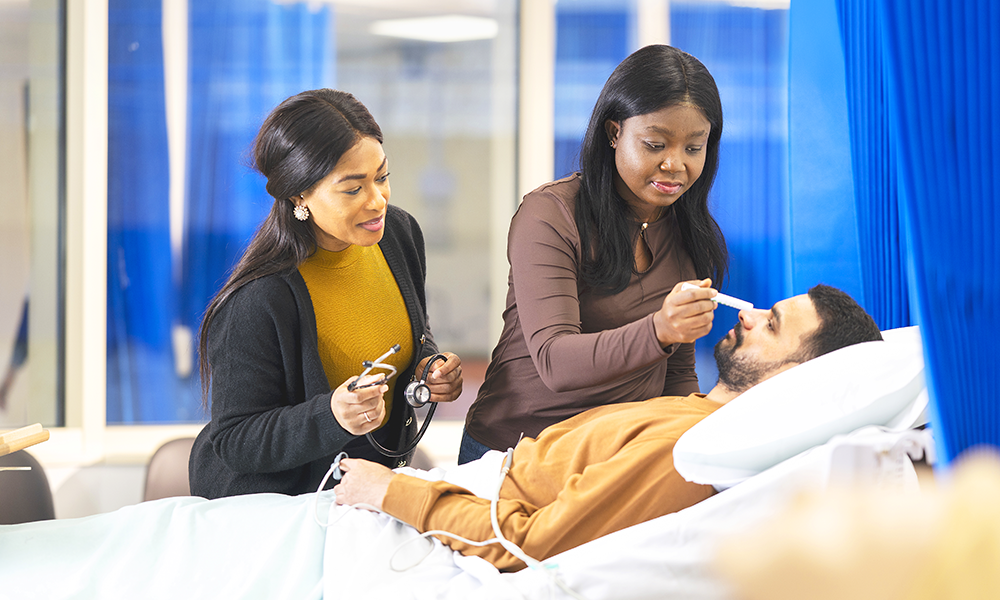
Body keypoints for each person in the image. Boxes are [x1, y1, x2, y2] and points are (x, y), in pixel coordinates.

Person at [333, 284, 884, 572]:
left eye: (773, 325)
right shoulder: (690, 412)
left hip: (445, 524)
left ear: (797, 379)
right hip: (462, 496)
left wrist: (389, 491)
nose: (748, 314)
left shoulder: (690, 449)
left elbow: (528, 545)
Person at [188, 89, 463, 499]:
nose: (378, 200)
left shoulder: (398, 237)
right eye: (353, 189)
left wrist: (429, 368)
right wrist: (330, 415)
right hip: (280, 510)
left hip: (365, 493)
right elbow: (234, 440)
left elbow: (407, 335)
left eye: (382, 177)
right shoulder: (259, 299)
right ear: (300, 195)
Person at [460, 44, 729, 463]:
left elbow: (675, 374)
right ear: (614, 132)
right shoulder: (551, 214)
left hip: (611, 456)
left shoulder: (684, 230)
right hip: (515, 452)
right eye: (656, 144)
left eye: (694, 149)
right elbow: (556, 361)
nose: (676, 165)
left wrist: (688, 447)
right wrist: (659, 329)